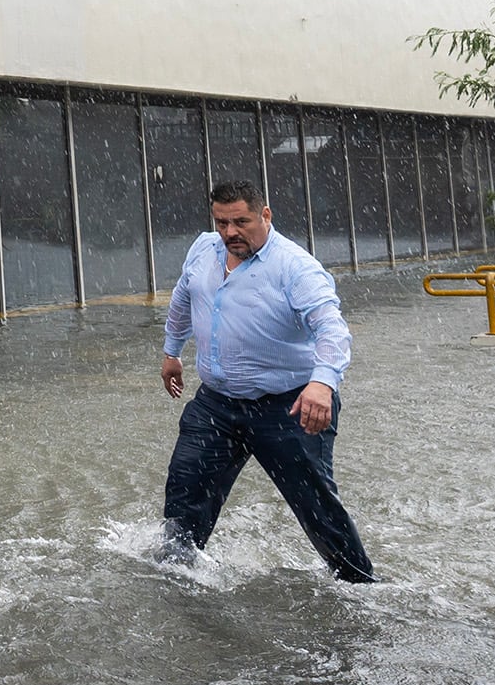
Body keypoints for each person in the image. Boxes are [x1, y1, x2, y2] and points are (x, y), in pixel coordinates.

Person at [158, 181, 374, 582]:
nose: (230, 232)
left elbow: (332, 330)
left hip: (289, 405)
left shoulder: (295, 267)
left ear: (265, 216)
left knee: (315, 504)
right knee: (186, 487)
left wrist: (322, 384)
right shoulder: (204, 250)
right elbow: (183, 298)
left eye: (241, 221)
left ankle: (359, 584)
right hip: (217, 406)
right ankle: (176, 577)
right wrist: (172, 352)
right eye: (222, 222)